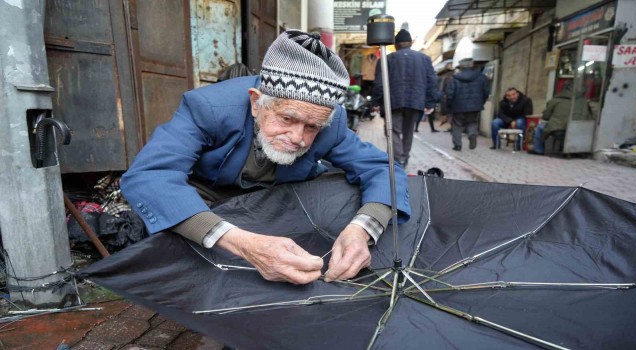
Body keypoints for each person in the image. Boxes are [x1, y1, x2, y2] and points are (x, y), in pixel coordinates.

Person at [120, 30, 411, 286]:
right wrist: (241, 242)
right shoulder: (208, 107)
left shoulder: (330, 124)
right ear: (257, 102)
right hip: (210, 198)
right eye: (287, 118)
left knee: (347, 190)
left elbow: (382, 170)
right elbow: (149, 177)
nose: (298, 137)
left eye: (312, 127)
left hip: (274, 202)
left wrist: (361, 230)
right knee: (178, 236)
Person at [371, 29, 439, 168]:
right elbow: (432, 81)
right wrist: (430, 102)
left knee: (392, 130)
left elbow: (379, 82)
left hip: (393, 102)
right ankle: (405, 157)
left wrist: (376, 101)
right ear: (410, 43)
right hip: (415, 101)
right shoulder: (424, 59)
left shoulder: (387, 59)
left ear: (396, 44)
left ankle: (398, 159)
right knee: (408, 131)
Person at [530, 83, 590, 155]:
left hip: (557, 128)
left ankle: (539, 150)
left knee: (539, 128)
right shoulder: (583, 102)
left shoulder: (555, 100)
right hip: (577, 129)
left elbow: (546, 116)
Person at [445, 58, 490, 151]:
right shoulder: (481, 77)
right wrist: (481, 102)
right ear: (472, 65)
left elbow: (450, 94)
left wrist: (449, 106)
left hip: (458, 106)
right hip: (475, 105)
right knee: (472, 122)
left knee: (457, 124)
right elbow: (486, 92)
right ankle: (472, 134)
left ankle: (458, 145)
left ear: (461, 66)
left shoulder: (455, 78)